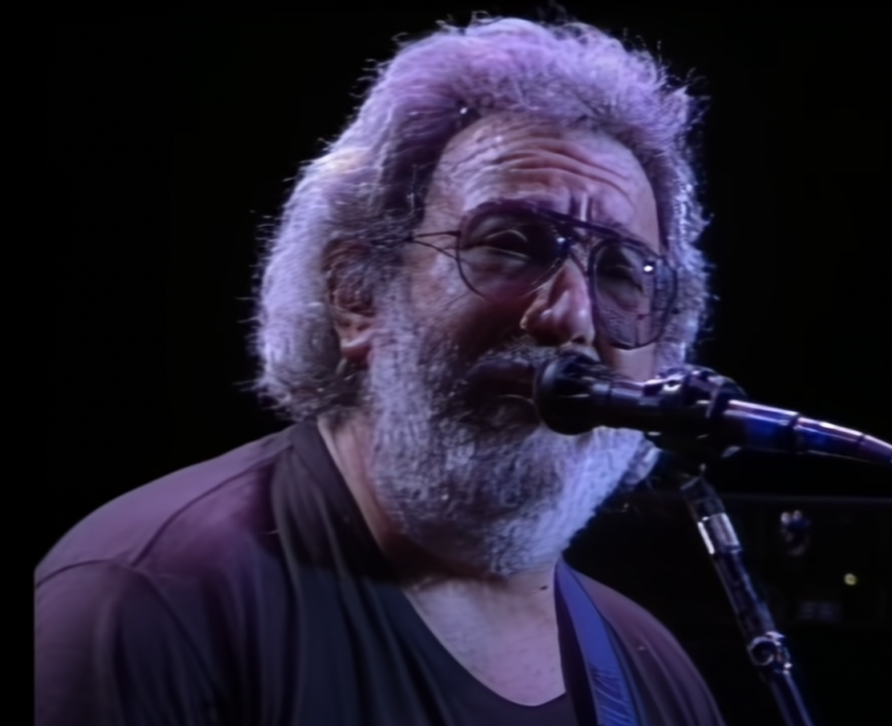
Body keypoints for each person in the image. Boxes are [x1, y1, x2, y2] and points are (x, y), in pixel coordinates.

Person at [35, 16, 726, 726]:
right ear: (358, 294)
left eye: (619, 272)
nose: (570, 316)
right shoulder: (150, 601)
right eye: (512, 245)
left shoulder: (651, 669)